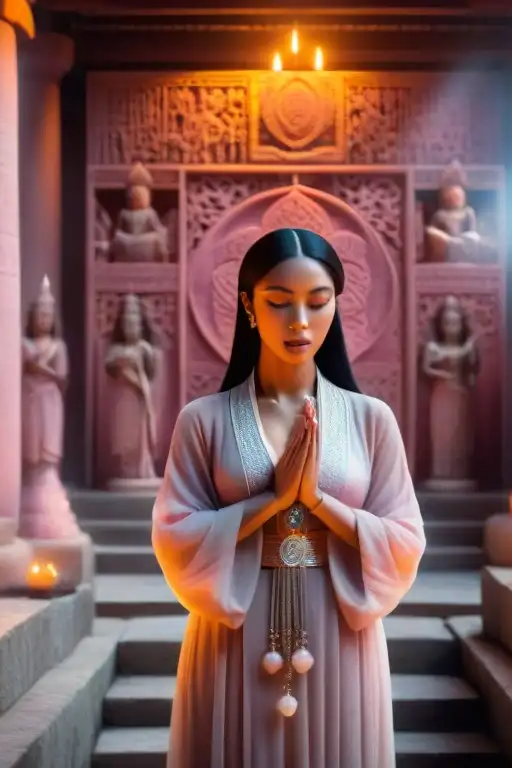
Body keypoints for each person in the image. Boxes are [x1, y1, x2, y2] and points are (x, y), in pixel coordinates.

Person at [152, 227, 426, 767]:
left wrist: (319, 503)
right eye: (278, 302)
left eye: (317, 303)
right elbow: (174, 533)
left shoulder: (371, 419)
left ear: (335, 308)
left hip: (340, 622)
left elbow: (404, 538)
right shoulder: (202, 420)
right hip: (234, 622)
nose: (299, 320)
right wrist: (270, 503)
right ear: (249, 308)